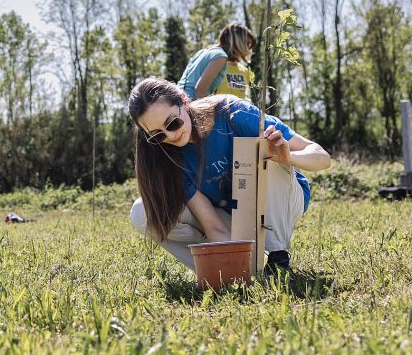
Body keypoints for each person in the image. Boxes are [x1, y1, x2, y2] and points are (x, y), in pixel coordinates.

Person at [126, 77, 331, 275]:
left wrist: (288, 157)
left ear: (184, 100)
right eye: (157, 135)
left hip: (281, 205)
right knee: (142, 212)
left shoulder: (233, 113)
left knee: (268, 153)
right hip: (235, 218)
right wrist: (230, 260)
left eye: (172, 123)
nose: (170, 136)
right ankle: (221, 268)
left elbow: (322, 157)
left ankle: (278, 258)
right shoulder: (169, 157)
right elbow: (213, 224)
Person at [178, 23, 256, 100]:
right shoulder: (221, 56)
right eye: (248, 43)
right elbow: (200, 90)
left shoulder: (204, 51)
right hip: (189, 104)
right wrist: (210, 112)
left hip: (178, 101)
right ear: (238, 42)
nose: (248, 49)